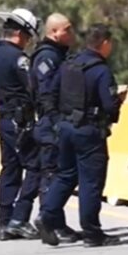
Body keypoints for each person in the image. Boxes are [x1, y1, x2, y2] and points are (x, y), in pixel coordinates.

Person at [35, 24, 126, 247]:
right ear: (104, 43)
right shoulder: (101, 70)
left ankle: (47, 217)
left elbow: (51, 95)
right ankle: (92, 232)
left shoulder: (68, 64)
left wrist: (58, 121)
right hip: (89, 131)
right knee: (91, 182)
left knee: (65, 175)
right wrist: (118, 102)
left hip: (65, 128)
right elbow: (109, 105)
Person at [0, 8, 42, 241]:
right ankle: (19, 219)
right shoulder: (18, 59)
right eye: (28, 37)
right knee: (36, 166)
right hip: (20, 122)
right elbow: (33, 88)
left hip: (4, 118)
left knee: (10, 169)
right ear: (19, 34)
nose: (29, 42)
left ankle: (5, 221)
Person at [29, 13, 78, 242]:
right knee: (52, 174)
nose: (72, 33)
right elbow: (46, 93)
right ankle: (48, 220)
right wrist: (57, 120)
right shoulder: (47, 57)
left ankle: (55, 221)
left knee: (60, 174)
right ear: (53, 32)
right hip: (51, 124)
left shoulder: (59, 55)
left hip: (58, 122)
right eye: (67, 29)